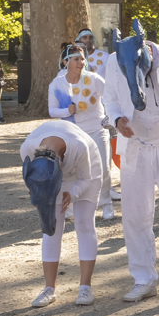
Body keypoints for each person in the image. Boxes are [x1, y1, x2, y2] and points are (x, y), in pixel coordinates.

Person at [103, 21, 159, 304]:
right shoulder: (112, 61)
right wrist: (118, 119)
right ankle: (144, 278)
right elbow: (110, 98)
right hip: (136, 146)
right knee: (135, 216)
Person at [20, 119, 103, 307]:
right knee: (51, 227)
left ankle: (85, 287)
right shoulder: (27, 149)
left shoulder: (79, 146)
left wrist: (71, 194)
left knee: (83, 223)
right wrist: (37, 192)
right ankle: (49, 289)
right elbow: (30, 179)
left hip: (86, 175)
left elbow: (85, 179)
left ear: (61, 159)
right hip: (47, 180)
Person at [48, 44, 114, 219]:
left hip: (97, 128)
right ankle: (70, 205)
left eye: (82, 58)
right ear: (66, 62)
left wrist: (110, 117)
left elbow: (110, 98)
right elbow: (52, 110)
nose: (81, 62)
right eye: (76, 59)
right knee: (73, 170)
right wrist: (66, 111)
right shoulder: (57, 84)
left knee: (104, 168)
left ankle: (106, 203)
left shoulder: (94, 79)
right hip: (73, 132)